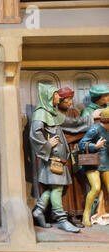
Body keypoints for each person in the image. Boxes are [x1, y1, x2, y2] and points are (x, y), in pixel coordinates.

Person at [29, 83, 96, 233]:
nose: (58, 97)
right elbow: (34, 135)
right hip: (52, 158)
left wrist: (92, 118)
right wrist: (47, 145)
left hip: (60, 158)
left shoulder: (52, 112)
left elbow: (72, 123)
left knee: (54, 188)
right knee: (57, 189)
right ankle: (62, 220)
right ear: (48, 96)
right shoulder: (40, 114)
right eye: (56, 94)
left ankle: (39, 211)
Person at [55, 87, 86, 228]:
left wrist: (76, 138)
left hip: (75, 153)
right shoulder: (54, 114)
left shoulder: (73, 112)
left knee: (77, 184)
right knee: (64, 186)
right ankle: (65, 214)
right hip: (61, 155)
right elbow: (59, 136)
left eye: (71, 100)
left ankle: (76, 214)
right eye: (67, 101)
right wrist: (71, 138)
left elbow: (82, 129)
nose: (70, 103)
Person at [78, 107, 109, 227]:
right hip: (93, 164)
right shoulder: (95, 129)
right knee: (96, 188)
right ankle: (86, 215)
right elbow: (82, 144)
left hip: (106, 164)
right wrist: (95, 147)